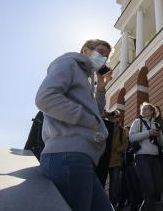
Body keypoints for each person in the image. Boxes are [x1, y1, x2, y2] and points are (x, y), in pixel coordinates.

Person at [35, 39, 113, 211]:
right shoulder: (68, 63)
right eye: (100, 52)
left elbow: (96, 114)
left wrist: (101, 89)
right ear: (85, 50)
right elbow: (45, 98)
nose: (103, 59)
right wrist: (88, 120)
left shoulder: (86, 79)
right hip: (67, 155)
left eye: (106, 57)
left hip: (82, 157)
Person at [129, 102, 163, 211]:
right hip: (142, 157)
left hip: (155, 158)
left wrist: (158, 136)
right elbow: (131, 138)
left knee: (156, 188)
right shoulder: (137, 122)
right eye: (142, 109)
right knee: (148, 187)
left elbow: (161, 143)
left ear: (152, 111)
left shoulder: (157, 124)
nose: (143, 111)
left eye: (146, 109)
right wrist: (149, 133)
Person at [107, 110, 129, 209]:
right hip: (103, 160)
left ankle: (112, 207)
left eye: (116, 116)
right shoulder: (104, 126)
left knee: (114, 186)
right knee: (99, 182)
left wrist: (118, 150)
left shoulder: (121, 130)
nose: (114, 118)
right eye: (112, 116)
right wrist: (108, 114)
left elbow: (125, 144)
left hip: (115, 161)